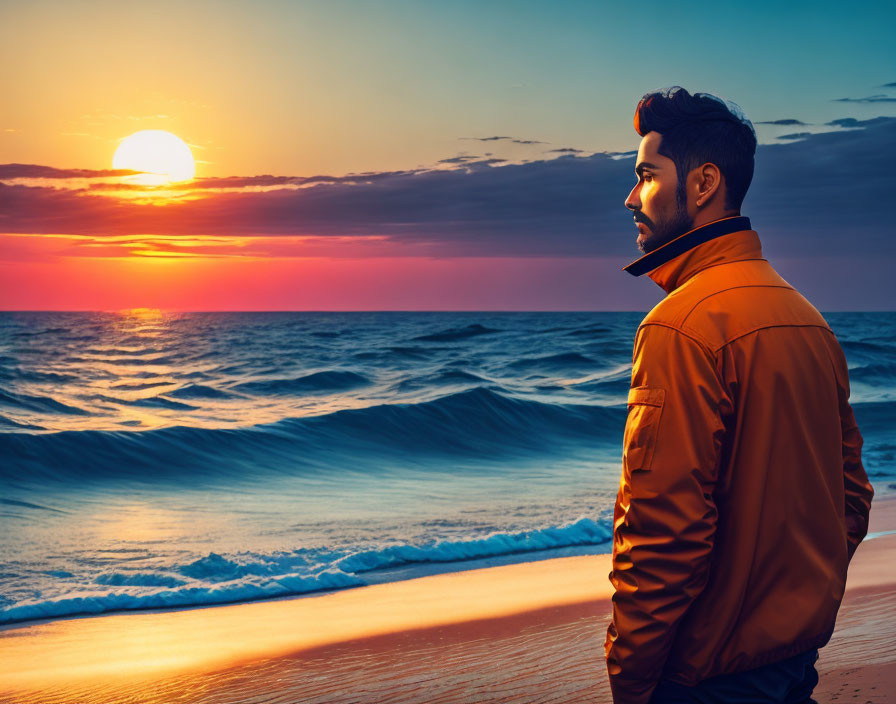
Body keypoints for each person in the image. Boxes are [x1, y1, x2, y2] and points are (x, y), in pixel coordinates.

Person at [604, 86, 875, 704]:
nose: (630, 197)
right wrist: (793, 601)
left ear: (702, 185)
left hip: (705, 677)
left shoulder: (679, 327)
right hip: (792, 658)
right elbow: (850, 494)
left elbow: (663, 535)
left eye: (646, 176)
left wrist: (632, 681)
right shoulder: (805, 316)